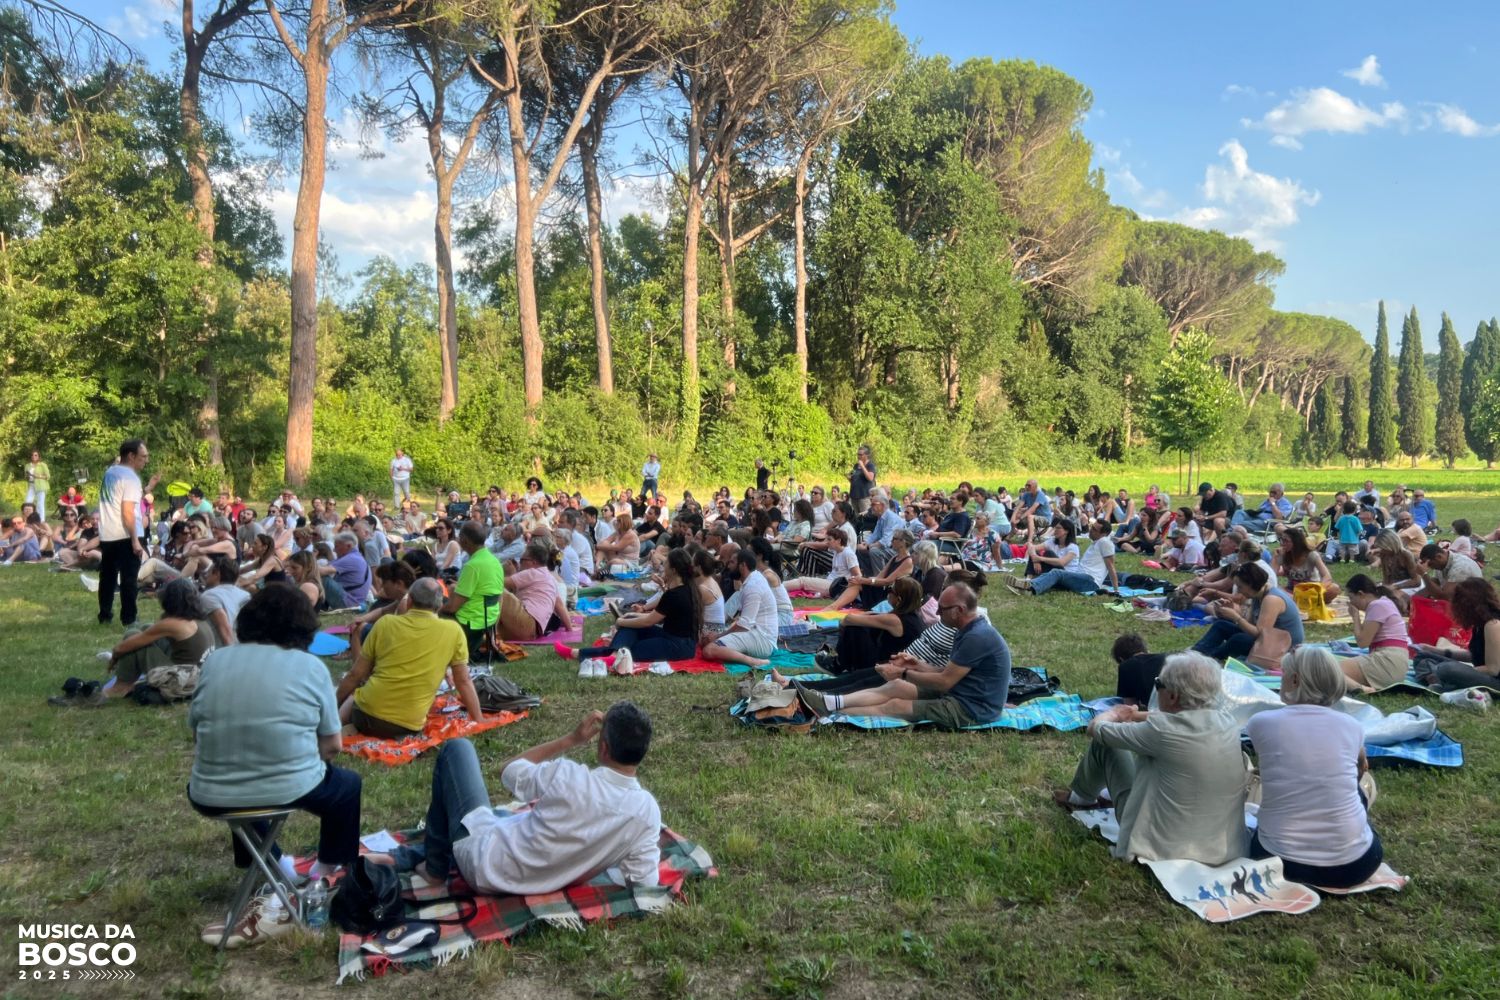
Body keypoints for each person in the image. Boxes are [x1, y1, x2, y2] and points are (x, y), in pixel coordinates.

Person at [189, 585, 361, 945]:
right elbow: (333, 745)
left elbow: (196, 728)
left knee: (242, 786)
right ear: (305, 627)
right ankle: (327, 869)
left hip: (208, 790)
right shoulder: (311, 667)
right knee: (347, 786)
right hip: (287, 786)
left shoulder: (217, 661)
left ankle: (272, 866)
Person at [1056, 652, 1248, 864]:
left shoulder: (1161, 730)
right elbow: (1178, 719)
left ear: (1173, 696)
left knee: (1107, 745)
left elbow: (1097, 729)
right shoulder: (1228, 722)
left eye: (1158, 683)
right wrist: (1135, 715)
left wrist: (1114, 714)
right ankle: (1089, 795)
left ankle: (1081, 797)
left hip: (1161, 848)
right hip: (1223, 848)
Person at [1247, 647, 1383, 888]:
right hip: (1355, 867)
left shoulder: (1261, 723)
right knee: (1355, 790)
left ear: (1295, 680)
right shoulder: (1352, 726)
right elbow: (1355, 767)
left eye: (1283, 674)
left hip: (1278, 862)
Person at [792, 583, 1009, 729]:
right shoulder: (968, 631)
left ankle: (831, 714)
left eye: (942, 609)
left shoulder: (976, 637)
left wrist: (903, 673)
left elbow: (945, 682)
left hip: (972, 708)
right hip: (961, 692)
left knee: (896, 705)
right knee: (896, 686)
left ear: (959, 610)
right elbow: (947, 672)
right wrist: (917, 665)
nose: (936, 613)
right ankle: (829, 702)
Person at [335, 578, 483, 739]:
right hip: (407, 727)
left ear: (409, 601)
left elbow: (355, 675)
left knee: (354, 695)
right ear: (440, 605)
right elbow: (463, 681)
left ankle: (333, 725)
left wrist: (334, 703)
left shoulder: (385, 623)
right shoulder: (454, 631)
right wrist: (479, 720)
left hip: (365, 716)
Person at [98, 577, 217, 700]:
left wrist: (114, 658)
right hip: (200, 678)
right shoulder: (199, 620)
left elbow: (121, 648)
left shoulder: (173, 623)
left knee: (132, 636)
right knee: (147, 628)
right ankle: (127, 678)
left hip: (180, 681)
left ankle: (121, 686)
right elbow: (152, 631)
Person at [97, 439, 157, 627]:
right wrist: (135, 540)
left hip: (107, 533)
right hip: (126, 534)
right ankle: (129, 618)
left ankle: (105, 614)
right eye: (143, 456)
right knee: (129, 578)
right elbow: (127, 512)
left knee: (107, 577)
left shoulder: (110, 472)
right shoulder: (131, 478)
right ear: (131, 456)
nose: (146, 460)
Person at [1192, 561, 1304, 662]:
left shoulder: (1272, 599)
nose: (1238, 591)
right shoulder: (1257, 594)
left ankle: (1210, 659)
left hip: (1284, 646)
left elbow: (1259, 633)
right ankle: (1196, 653)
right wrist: (1231, 611)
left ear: (1250, 584)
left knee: (1240, 639)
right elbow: (1250, 625)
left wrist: (1236, 617)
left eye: (1240, 587)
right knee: (1221, 625)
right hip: (1268, 639)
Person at [825, 577, 926, 674]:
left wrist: (852, 620)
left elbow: (848, 619)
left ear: (899, 599)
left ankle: (839, 664)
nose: (887, 593)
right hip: (900, 663)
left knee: (854, 627)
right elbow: (874, 616)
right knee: (866, 625)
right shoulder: (914, 617)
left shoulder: (895, 620)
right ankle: (843, 663)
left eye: (890, 590)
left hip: (888, 665)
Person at [1413, 578, 1500, 692]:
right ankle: (1438, 681)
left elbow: (1493, 669)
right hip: (1481, 672)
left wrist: (1462, 669)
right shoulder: (1480, 623)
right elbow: (1475, 655)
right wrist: (1435, 651)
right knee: (1422, 656)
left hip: (1495, 680)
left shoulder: (1493, 625)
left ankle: (1437, 678)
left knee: (1447, 669)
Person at [701, 549, 780, 668]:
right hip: (756, 633)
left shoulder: (753, 586)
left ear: (743, 566)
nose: (728, 566)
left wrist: (718, 636)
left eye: (732, 562)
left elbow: (744, 625)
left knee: (709, 650)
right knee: (707, 642)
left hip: (763, 639)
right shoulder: (752, 580)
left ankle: (752, 661)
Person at [1340, 575, 1413, 692]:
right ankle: (1358, 687)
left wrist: (1355, 617)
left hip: (1388, 662)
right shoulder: (1383, 603)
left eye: (1351, 598)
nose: (1351, 602)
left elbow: (1362, 642)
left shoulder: (1377, 605)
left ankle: (1362, 689)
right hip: (1395, 663)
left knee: (1330, 670)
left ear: (1361, 594)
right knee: (1330, 671)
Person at [444, 521, 504, 659]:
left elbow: (453, 607)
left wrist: (438, 610)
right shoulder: (494, 561)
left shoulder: (472, 566)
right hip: (489, 621)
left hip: (470, 624)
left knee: (432, 614)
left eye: (459, 537)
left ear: (465, 540)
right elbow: (497, 595)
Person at [497, 542, 570, 641]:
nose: (519, 563)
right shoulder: (550, 579)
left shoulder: (532, 573)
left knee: (497, 590)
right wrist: (569, 629)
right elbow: (560, 606)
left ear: (533, 562)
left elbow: (498, 583)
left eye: (522, 560)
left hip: (526, 622)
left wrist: (506, 572)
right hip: (532, 632)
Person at [1275, 526, 1339, 599]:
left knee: (1334, 588)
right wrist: (1275, 558)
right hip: (1292, 591)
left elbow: (1327, 576)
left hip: (1312, 591)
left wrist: (1319, 590)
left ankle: (1305, 599)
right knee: (1273, 590)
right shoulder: (1282, 554)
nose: (1282, 543)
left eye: (1286, 540)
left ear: (1296, 542)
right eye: (1281, 540)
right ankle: (1299, 599)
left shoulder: (1311, 555)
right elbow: (1271, 576)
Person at [199, 555, 251, 645]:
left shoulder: (210, 596)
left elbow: (226, 632)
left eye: (209, 571)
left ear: (217, 574)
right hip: (243, 647)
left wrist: (230, 653)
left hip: (221, 650)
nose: (206, 575)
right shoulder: (246, 595)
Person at [1111, 634, 1168, 707]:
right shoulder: (1165, 657)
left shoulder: (1125, 667)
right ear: (1146, 650)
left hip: (1160, 709)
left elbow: (1130, 706)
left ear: (1121, 659)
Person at [1417, 542, 1481, 602]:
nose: (1431, 568)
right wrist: (1413, 599)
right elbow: (1433, 585)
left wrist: (1424, 574)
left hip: (1473, 604)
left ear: (1439, 557)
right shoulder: (1441, 563)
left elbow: (1444, 597)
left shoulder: (1460, 567)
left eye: (1430, 564)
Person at [847, 445, 876, 515]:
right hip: (854, 496)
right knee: (855, 517)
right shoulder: (856, 466)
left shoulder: (870, 465)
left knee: (865, 516)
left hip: (864, 497)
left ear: (866, 455)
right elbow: (854, 479)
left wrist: (862, 466)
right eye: (858, 454)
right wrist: (849, 478)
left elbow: (870, 478)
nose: (858, 456)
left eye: (860, 455)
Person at [24, 449, 50, 520]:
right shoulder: (27, 465)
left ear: (38, 457)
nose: (34, 456)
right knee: (28, 503)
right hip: (31, 485)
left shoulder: (42, 465)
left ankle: (41, 520)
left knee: (40, 504)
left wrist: (38, 476)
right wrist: (27, 476)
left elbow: (48, 476)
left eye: (36, 455)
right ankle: (28, 519)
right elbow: (26, 477)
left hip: (41, 486)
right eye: (32, 455)